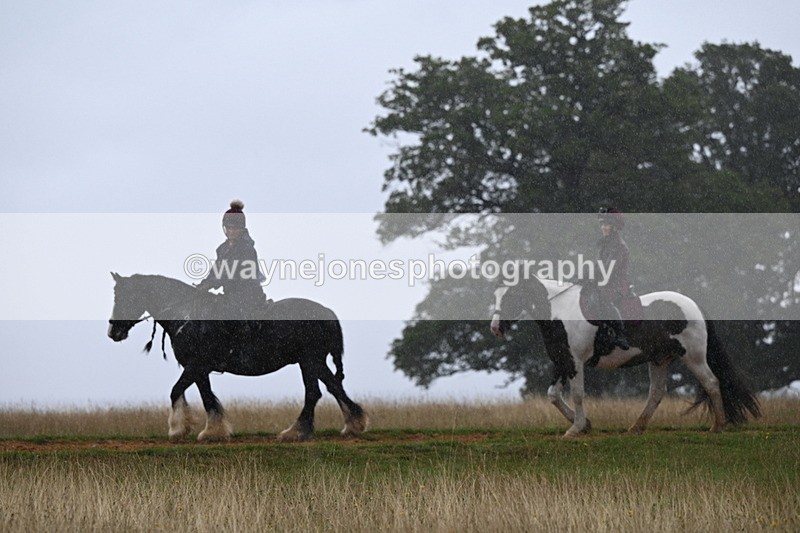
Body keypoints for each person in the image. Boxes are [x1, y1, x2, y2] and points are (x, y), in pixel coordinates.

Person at [196, 200, 267, 331]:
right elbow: (216, 271)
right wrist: (203, 284)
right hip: (230, 296)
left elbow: (238, 275)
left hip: (247, 296)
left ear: (241, 229)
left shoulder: (247, 249)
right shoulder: (222, 249)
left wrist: (214, 283)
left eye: (234, 228)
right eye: (228, 228)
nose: (231, 231)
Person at [597, 207, 630, 350]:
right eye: (602, 224)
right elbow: (598, 266)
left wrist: (592, 276)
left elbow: (609, 269)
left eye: (606, 225)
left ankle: (620, 334)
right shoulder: (604, 244)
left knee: (604, 299)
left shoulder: (619, 246)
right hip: (605, 282)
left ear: (615, 227)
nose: (603, 228)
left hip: (617, 284)